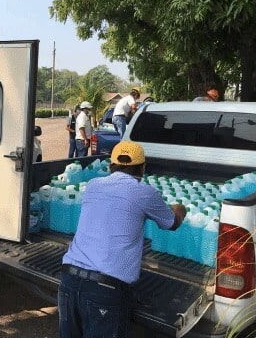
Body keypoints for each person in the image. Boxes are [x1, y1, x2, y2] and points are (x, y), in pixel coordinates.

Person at [58, 140, 186, 337]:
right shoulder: (146, 193)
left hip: (68, 280)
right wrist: (179, 210)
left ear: (110, 166)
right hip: (105, 289)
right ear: (142, 169)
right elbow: (171, 223)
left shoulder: (92, 185)